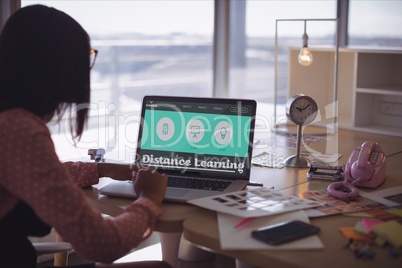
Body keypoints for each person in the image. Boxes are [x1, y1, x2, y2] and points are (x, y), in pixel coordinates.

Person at [0, 5, 170, 268]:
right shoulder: (18, 128)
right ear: (57, 64)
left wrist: (100, 168)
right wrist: (149, 198)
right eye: (85, 56)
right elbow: (101, 243)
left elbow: (33, 175)